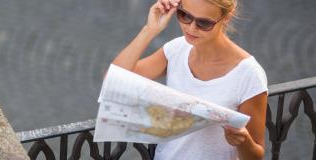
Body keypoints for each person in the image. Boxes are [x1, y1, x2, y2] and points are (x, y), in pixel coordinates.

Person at [109, 0, 267, 159]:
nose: (191, 28)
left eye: (204, 23)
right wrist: (149, 30)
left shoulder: (249, 74)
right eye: (184, 15)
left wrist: (243, 141)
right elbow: (115, 78)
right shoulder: (177, 49)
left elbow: (256, 155)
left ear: (227, 17)